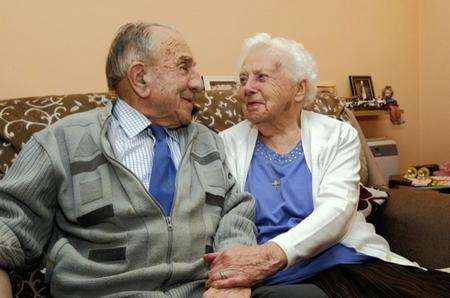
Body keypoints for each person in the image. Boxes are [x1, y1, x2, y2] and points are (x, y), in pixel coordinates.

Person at [0, 22, 257, 297]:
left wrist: (232, 277)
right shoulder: (60, 143)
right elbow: (8, 228)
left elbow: (235, 213)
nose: (198, 82)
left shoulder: (208, 141)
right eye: (184, 67)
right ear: (140, 78)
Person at [204, 33, 450, 297]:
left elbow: (336, 211)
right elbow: (223, 218)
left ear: (299, 89)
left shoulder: (337, 135)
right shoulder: (226, 143)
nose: (246, 88)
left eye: (261, 77)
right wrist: (234, 276)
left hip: (339, 258)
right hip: (269, 275)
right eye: (243, 79)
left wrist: (271, 255)